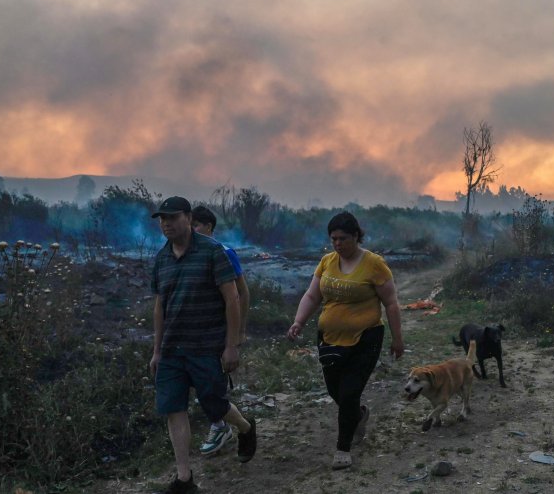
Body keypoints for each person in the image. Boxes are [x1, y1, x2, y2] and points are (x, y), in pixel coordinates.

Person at [149, 196, 257, 494]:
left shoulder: (212, 252)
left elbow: (232, 297)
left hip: (207, 346)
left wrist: (232, 344)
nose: (166, 224)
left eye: (172, 217)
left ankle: (246, 427)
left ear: (188, 218)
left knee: (215, 404)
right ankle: (184, 478)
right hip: (172, 349)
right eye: (162, 219)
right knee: (173, 407)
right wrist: (157, 350)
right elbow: (160, 306)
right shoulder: (161, 259)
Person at [286, 211, 404, 470]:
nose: (338, 244)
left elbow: (391, 303)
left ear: (356, 237)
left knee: (350, 391)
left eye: (343, 239)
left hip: (366, 338)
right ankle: (358, 416)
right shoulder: (327, 262)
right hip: (329, 338)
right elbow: (311, 296)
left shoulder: (374, 264)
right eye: (333, 239)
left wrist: (397, 339)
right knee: (335, 391)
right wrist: (299, 321)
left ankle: (343, 448)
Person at [190, 204, 251, 456]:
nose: (191, 230)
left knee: (211, 383)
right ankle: (222, 423)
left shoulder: (223, 252)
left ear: (209, 227)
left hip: (218, 330)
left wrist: (238, 333)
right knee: (197, 381)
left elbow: (242, 292)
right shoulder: (186, 253)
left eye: (195, 225)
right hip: (192, 332)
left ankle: (222, 425)